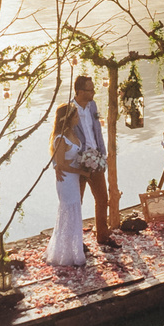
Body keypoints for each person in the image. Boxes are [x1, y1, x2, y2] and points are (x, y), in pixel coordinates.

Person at [72, 74, 115, 243]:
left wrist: (102, 155)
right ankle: (77, 241)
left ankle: (103, 236)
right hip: (79, 163)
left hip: (96, 158)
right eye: (90, 90)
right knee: (77, 202)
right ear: (80, 91)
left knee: (102, 198)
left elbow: (97, 130)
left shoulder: (93, 106)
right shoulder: (69, 109)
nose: (94, 93)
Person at [47, 101, 90, 268]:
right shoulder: (60, 139)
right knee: (68, 211)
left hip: (74, 178)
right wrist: (83, 172)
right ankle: (63, 253)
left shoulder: (73, 133)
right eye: (76, 115)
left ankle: (74, 249)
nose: (78, 118)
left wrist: (87, 162)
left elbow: (74, 158)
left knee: (75, 211)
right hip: (66, 180)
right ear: (69, 118)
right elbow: (61, 165)